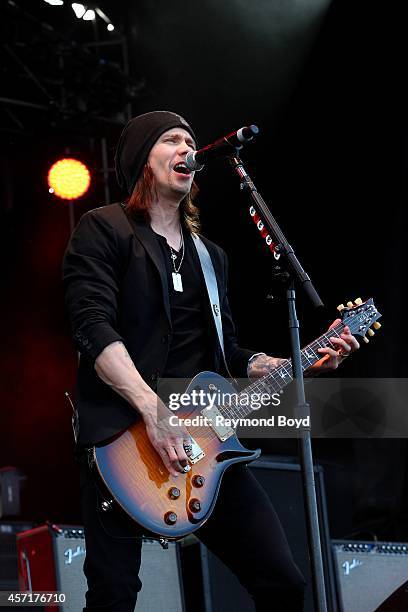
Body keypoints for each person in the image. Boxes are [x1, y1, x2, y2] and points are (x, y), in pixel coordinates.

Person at [62, 111, 359, 612]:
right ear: (141, 158)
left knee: (283, 584)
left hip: (205, 442)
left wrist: (284, 363)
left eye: (191, 142)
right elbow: (93, 330)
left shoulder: (209, 255)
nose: (187, 150)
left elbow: (224, 352)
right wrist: (155, 415)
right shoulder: (103, 229)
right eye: (172, 140)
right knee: (113, 597)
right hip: (125, 442)